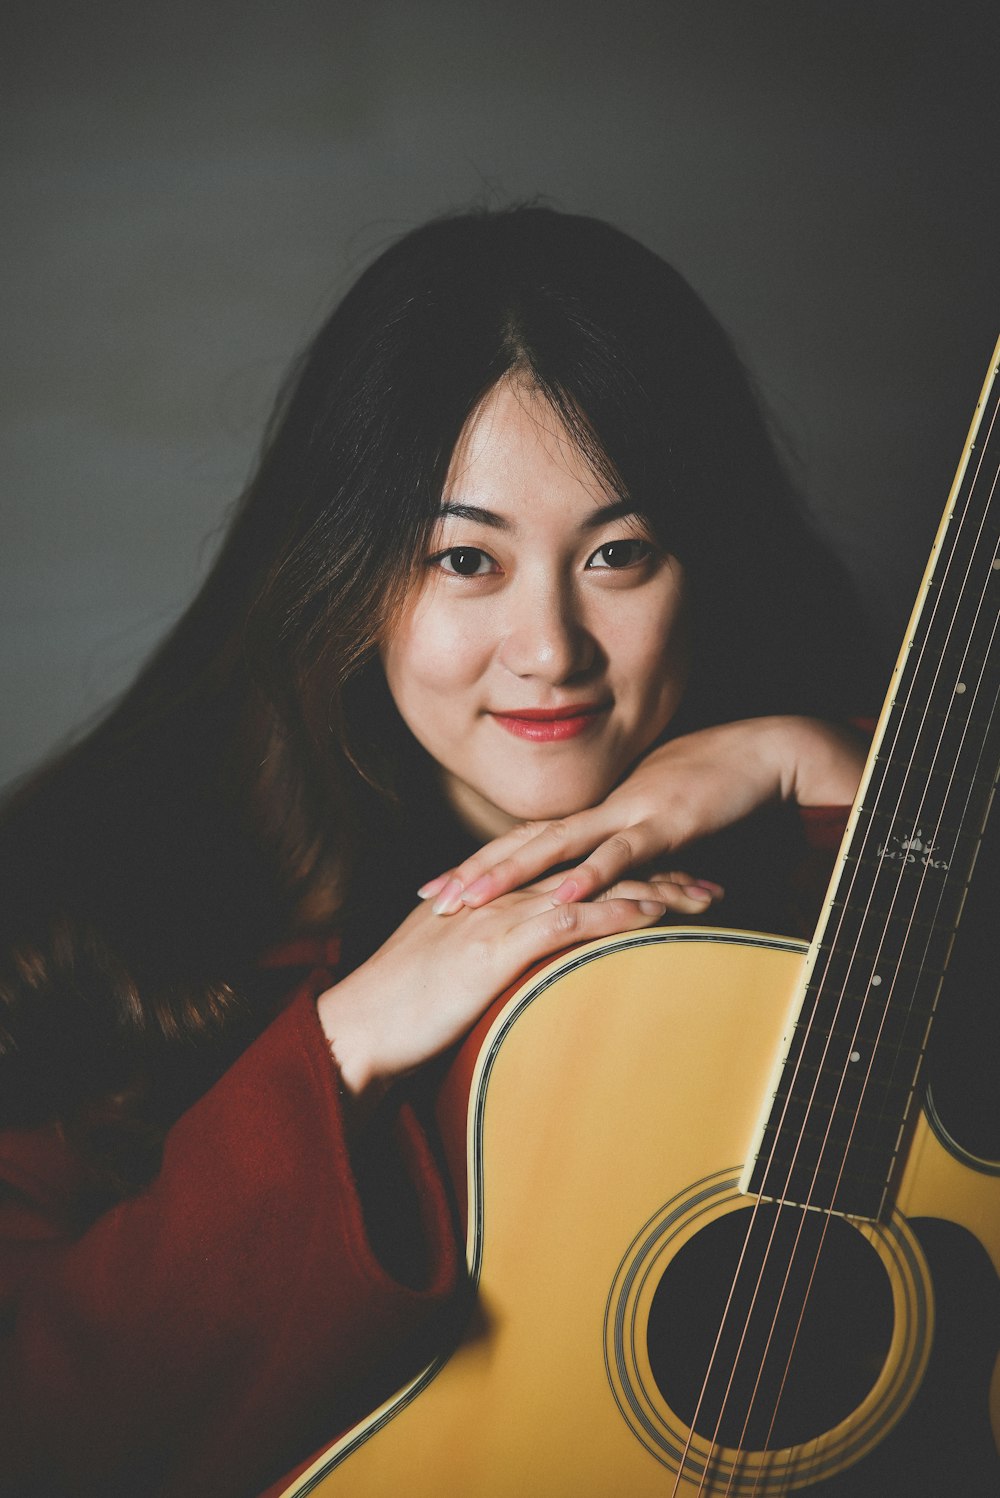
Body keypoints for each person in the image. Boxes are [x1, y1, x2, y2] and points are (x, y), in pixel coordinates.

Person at [0, 206, 879, 1497]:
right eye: (467, 558)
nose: (550, 646)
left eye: (620, 554)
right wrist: (349, 1038)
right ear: (352, 570)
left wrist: (820, 770)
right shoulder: (93, 915)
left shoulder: (816, 864)